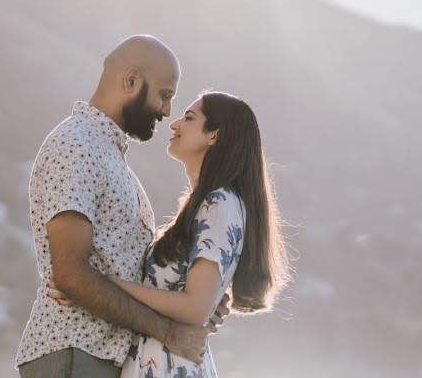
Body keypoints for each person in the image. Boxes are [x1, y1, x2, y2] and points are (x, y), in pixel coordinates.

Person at [16, 35, 228, 378]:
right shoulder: (77, 144)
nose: (166, 111)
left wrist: (197, 304)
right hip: (75, 350)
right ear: (131, 81)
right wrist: (171, 333)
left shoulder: (109, 156)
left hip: (102, 354)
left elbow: (123, 269)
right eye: (165, 95)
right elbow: (72, 275)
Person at [50, 90, 290, 378]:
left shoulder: (220, 204)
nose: (174, 124)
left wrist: (99, 284)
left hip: (171, 365)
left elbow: (194, 308)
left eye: (189, 118)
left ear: (214, 135)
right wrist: (92, 290)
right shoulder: (204, 204)